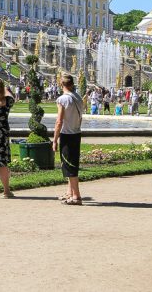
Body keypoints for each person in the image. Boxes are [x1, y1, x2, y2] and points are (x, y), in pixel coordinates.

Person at [53, 74, 83, 205]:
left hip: (67, 134)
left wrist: (54, 140)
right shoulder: (78, 97)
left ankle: (76, 196)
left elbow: (59, 121)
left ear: (61, 84)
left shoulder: (62, 99)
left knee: (70, 166)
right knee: (71, 163)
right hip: (76, 133)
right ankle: (69, 192)